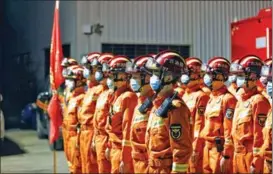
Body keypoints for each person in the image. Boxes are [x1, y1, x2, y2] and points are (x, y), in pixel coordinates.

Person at [145, 50, 193, 173]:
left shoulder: (176, 108)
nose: (152, 78)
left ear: (169, 77)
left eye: (156, 73)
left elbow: (181, 149)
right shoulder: (157, 104)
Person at [230, 55, 271, 173]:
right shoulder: (241, 101)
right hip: (238, 156)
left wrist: (256, 162)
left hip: (250, 158)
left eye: (241, 76)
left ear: (253, 77)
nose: (238, 79)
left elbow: (260, 137)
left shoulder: (259, 101)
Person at [200, 56, 237, 173]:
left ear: (220, 76)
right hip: (208, 147)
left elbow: (229, 131)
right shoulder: (212, 97)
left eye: (210, 75)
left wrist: (226, 155)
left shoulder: (228, 99)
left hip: (219, 150)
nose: (206, 78)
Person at [104, 56, 138, 173]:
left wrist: (125, 158)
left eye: (113, 75)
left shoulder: (128, 97)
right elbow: (112, 127)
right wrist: (109, 145)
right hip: (114, 148)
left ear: (124, 76)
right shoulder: (115, 95)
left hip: (121, 151)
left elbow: (127, 130)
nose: (110, 79)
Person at [125, 55, 154, 173]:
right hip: (138, 163)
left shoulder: (156, 104)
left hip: (149, 164)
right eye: (131, 76)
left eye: (135, 77)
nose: (132, 80)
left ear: (147, 78)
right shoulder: (139, 103)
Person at [181, 57, 210, 173]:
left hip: (195, 148)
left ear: (195, 74)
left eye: (186, 73)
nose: (183, 76)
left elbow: (199, 125)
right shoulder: (185, 95)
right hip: (185, 146)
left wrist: (195, 149)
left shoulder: (201, 96)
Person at [78, 52, 101, 173]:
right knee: (85, 167)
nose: (85, 71)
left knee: (92, 167)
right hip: (83, 132)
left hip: (92, 133)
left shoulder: (99, 90)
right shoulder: (89, 90)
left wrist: (93, 138)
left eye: (88, 68)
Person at [92, 53, 114, 173]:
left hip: (107, 140)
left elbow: (112, 123)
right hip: (99, 138)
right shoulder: (102, 93)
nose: (98, 73)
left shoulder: (112, 95)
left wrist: (109, 144)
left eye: (101, 70)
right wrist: (95, 138)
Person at [62, 65, 86, 173]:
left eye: (70, 80)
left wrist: (77, 142)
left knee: (77, 168)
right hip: (68, 136)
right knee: (71, 166)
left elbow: (81, 122)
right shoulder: (72, 98)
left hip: (76, 139)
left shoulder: (81, 99)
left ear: (79, 81)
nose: (67, 82)